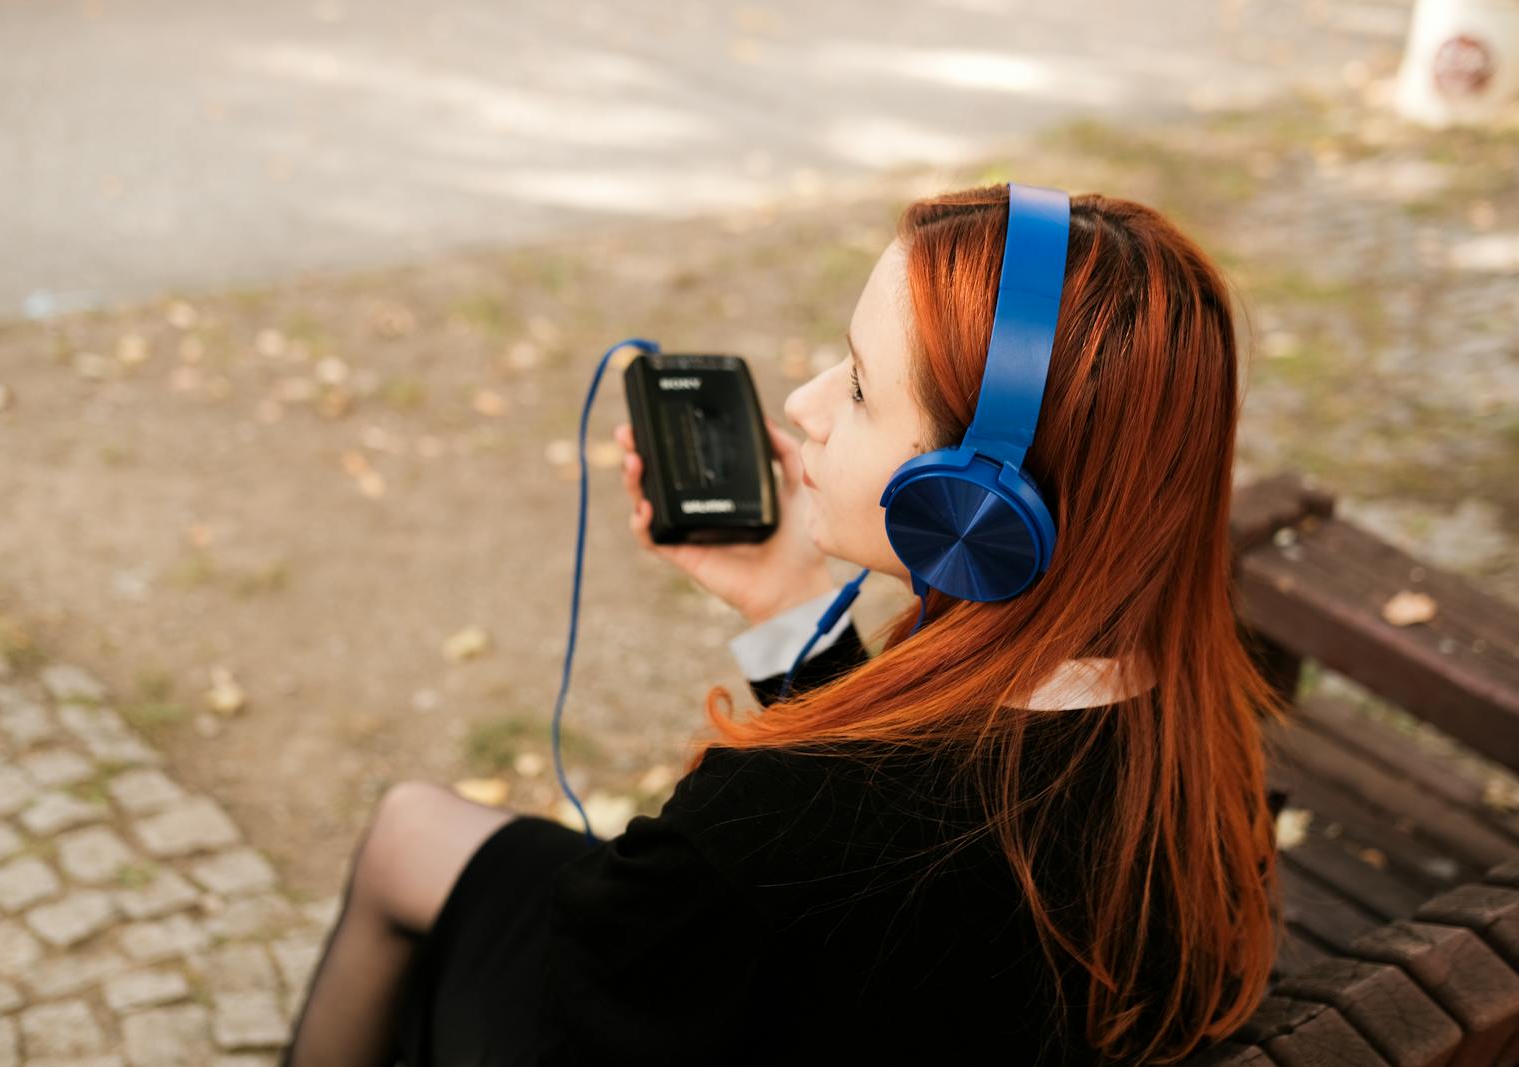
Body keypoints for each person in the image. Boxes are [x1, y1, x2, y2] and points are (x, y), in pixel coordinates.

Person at [280, 184, 1288, 1066]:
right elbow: (900, 835)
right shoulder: (1197, 729)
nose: (804, 404)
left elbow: (592, 1004)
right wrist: (784, 602)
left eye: (855, 386)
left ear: (971, 502)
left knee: (409, 829)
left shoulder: (762, 825)